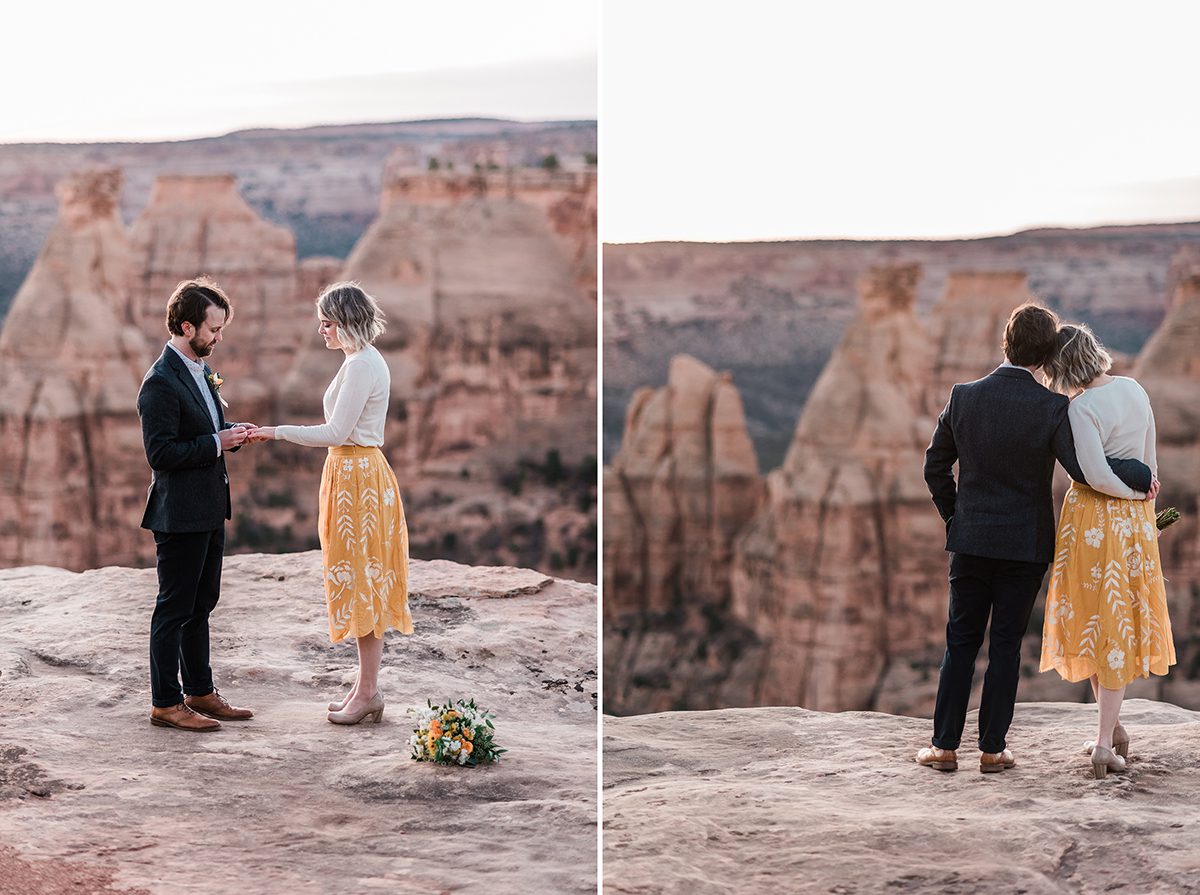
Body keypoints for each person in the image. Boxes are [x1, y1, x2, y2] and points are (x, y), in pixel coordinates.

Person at [916, 303, 1152, 773]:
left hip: (971, 540)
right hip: (1024, 547)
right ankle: (993, 750)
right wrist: (1140, 473)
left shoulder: (963, 396)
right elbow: (1086, 470)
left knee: (960, 641)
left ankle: (943, 747)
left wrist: (956, 517)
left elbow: (934, 466)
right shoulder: (1051, 407)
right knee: (1005, 644)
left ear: (1006, 341)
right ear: (1045, 357)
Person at [246, 282, 412, 725]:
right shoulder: (360, 361)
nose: (321, 332)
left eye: (327, 323)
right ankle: (364, 688)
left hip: (357, 476)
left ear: (345, 322)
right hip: (352, 475)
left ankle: (369, 692)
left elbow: (335, 433)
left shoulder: (361, 365)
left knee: (361, 580)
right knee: (360, 578)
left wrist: (275, 431)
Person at [1039, 323, 1176, 778]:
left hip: (1094, 521)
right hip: (1134, 521)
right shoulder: (1134, 389)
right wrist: (1142, 499)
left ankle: (1101, 744)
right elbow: (1150, 459)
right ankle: (1112, 732)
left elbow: (1095, 476)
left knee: (1099, 620)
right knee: (1114, 619)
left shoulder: (1081, 408)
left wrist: (1126, 495)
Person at [137, 278, 256, 732]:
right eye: (213, 329)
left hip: (207, 507)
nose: (219, 338)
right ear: (186, 326)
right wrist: (214, 442)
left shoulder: (200, 371)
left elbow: (208, 428)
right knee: (174, 606)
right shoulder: (160, 383)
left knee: (202, 602)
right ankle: (165, 702)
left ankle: (200, 690)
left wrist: (230, 434)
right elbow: (160, 454)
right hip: (179, 513)